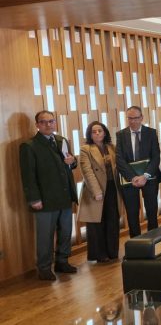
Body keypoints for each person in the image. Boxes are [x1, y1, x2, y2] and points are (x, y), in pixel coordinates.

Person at [19, 110, 79, 280]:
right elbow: (28, 176)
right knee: (45, 235)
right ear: (37, 125)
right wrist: (34, 199)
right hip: (45, 199)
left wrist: (73, 161)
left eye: (51, 121)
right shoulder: (29, 146)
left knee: (66, 231)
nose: (48, 124)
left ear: (55, 123)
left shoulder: (61, 140)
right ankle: (44, 268)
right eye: (43, 122)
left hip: (65, 196)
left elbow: (69, 164)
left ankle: (62, 261)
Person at [78, 121, 124, 263]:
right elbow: (87, 171)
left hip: (112, 187)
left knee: (112, 220)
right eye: (94, 131)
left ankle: (112, 252)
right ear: (90, 134)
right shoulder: (85, 149)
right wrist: (96, 191)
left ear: (105, 132)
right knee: (97, 222)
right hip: (95, 189)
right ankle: (100, 254)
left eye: (100, 130)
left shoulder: (112, 147)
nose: (97, 133)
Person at [116, 105, 160, 237]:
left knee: (152, 210)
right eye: (130, 118)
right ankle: (135, 242)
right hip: (129, 179)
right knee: (132, 213)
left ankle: (153, 239)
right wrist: (133, 177)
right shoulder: (121, 135)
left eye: (136, 118)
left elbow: (156, 156)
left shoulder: (151, 132)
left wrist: (145, 176)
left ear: (141, 118)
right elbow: (119, 159)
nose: (133, 121)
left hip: (149, 177)